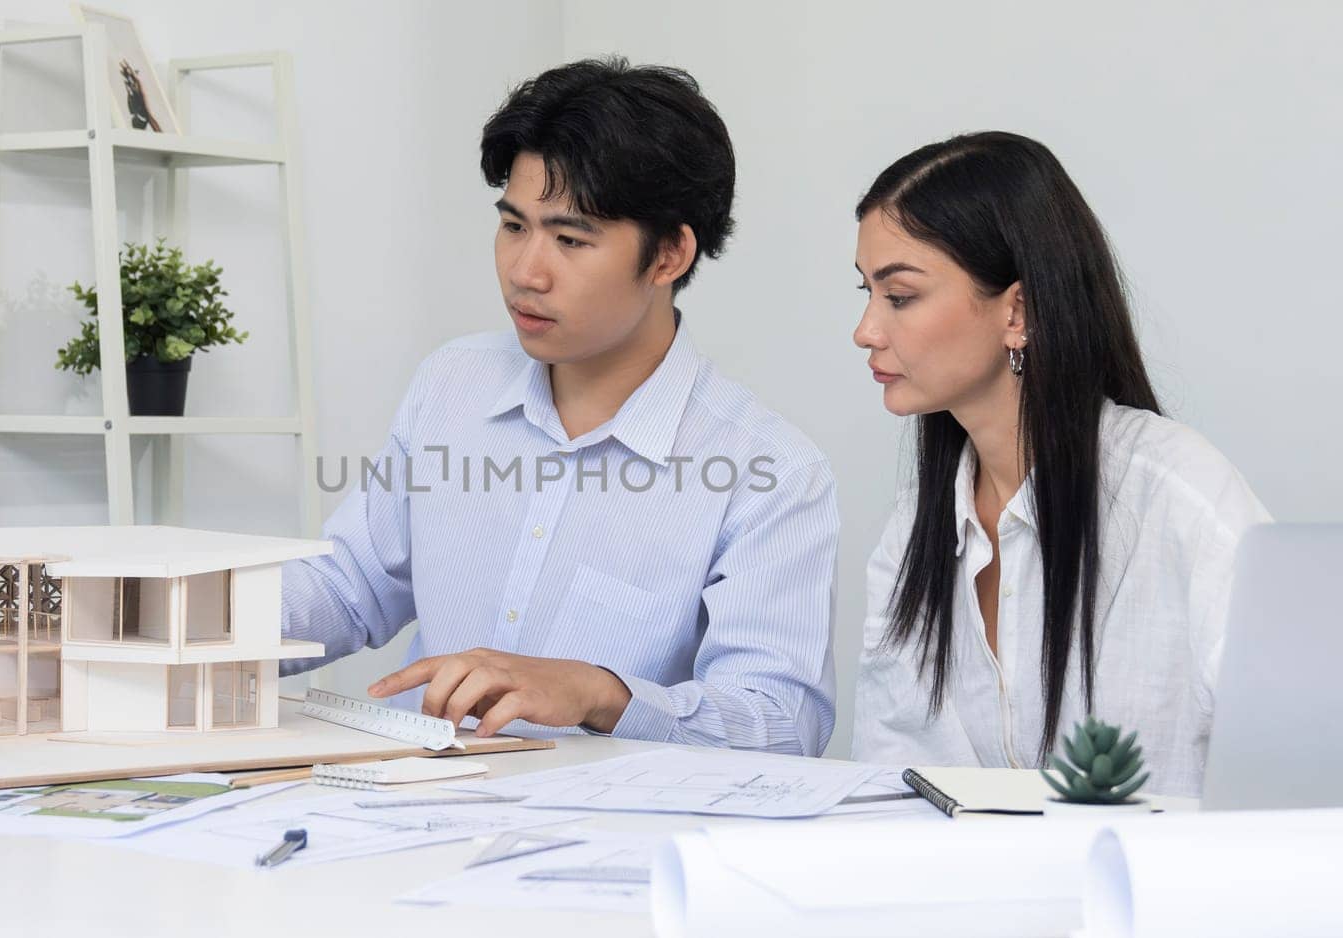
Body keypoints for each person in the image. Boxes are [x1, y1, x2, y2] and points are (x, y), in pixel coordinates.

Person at [278, 58, 840, 755]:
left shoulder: (769, 471)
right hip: (422, 808)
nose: (525, 271)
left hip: (618, 844)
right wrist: (156, 618)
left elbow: (784, 722)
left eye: (569, 240)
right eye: (515, 226)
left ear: (669, 254)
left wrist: (601, 692)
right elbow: (347, 586)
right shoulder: (452, 384)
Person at [850, 131, 1270, 795]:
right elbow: (889, 783)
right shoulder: (912, 531)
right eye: (866, 293)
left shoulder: (1176, 494)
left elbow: (1301, 760)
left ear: (1016, 310)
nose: (866, 330)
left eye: (899, 296)